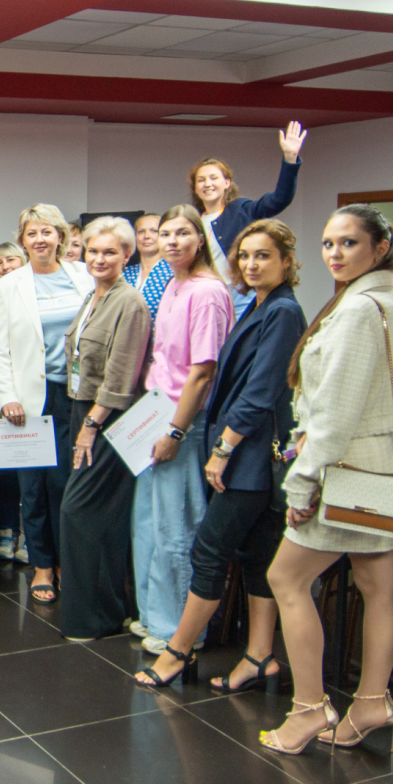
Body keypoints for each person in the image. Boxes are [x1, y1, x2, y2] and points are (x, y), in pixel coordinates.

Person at [258, 205, 393, 754]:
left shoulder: (358, 310)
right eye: (328, 243)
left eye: (349, 243)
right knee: (378, 585)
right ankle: (371, 701)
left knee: (285, 579)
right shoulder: (386, 300)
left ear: (380, 247)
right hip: (379, 466)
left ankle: (308, 708)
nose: (335, 253)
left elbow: (335, 415)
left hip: (343, 471)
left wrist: (301, 484)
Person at [129, 221, 304, 685]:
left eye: (263, 256)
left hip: (250, 453)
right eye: (245, 256)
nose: (251, 264)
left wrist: (223, 449)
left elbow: (259, 391)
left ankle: (178, 652)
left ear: (287, 261)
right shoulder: (263, 304)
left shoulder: (283, 310)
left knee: (208, 550)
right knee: (255, 554)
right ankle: (259, 656)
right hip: (245, 450)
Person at [131, 205, 235, 654]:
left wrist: (175, 432)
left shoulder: (207, 291)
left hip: (182, 422)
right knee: (149, 525)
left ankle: (180, 631)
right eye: (165, 233)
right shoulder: (175, 283)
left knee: (176, 528)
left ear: (200, 239)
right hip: (155, 413)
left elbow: (203, 371)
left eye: (182, 233)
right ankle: (154, 616)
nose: (172, 241)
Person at [0, 204, 91, 605]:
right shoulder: (10, 285)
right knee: (32, 486)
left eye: (47, 231)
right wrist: (7, 397)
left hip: (76, 396)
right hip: (30, 398)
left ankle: (67, 560)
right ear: (23, 240)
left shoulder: (83, 276)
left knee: (67, 483)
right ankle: (42, 565)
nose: (40, 239)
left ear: (61, 236)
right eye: (32, 233)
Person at [56, 218, 152, 642]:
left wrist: (91, 426)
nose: (99, 258)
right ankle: (103, 614)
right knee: (97, 517)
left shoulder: (129, 303)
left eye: (110, 252)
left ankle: (95, 617)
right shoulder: (94, 296)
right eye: (93, 251)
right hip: (83, 409)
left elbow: (121, 376)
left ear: (126, 256)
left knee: (80, 512)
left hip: (107, 418)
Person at [191, 122, 306, 313]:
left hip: (243, 297)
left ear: (227, 183)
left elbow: (279, 199)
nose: (207, 184)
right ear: (195, 188)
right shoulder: (193, 222)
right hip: (208, 299)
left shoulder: (241, 209)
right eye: (201, 180)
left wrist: (290, 158)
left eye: (214, 178)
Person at [124, 213, 173, 321]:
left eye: (154, 231)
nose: (146, 236)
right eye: (141, 231)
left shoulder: (173, 273)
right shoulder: (124, 273)